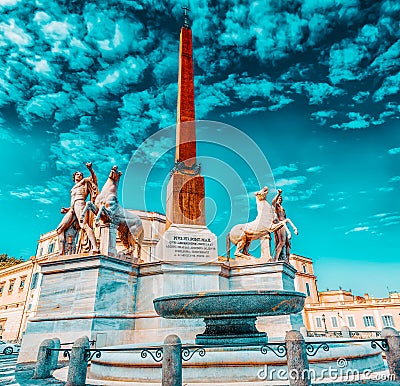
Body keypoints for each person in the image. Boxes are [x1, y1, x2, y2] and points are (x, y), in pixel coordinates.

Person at [56, 162, 99, 254]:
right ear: (74, 176)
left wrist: (90, 169)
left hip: (80, 204)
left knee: (84, 225)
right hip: (73, 208)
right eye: (77, 174)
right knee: (59, 229)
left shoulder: (84, 183)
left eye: (81, 174)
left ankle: (95, 247)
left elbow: (94, 179)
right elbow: (73, 201)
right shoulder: (73, 188)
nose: (79, 175)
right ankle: (61, 252)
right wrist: (67, 209)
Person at [272, 189, 291, 262]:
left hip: (285, 225)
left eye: (281, 198)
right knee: (281, 242)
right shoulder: (276, 206)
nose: (280, 199)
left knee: (288, 244)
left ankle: (287, 260)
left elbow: (285, 217)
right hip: (280, 224)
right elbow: (273, 201)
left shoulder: (282, 208)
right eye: (279, 198)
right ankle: (276, 259)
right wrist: (278, 194)